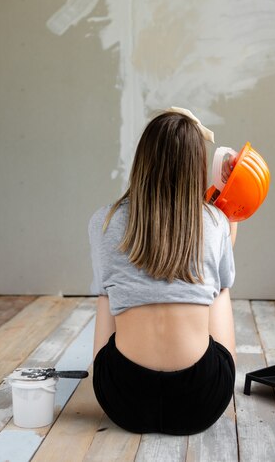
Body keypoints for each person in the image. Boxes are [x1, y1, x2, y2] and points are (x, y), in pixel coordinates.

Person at [88, 108, 237, 435]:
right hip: (202, 401)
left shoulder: (104, 221)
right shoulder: (215, 224)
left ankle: (102, 369)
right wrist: (229, 209)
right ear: (196, 166)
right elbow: (221, 276)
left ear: (143, 160)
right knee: (222, 287)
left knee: (105, 291)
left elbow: (107, 290)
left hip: (121, 400)